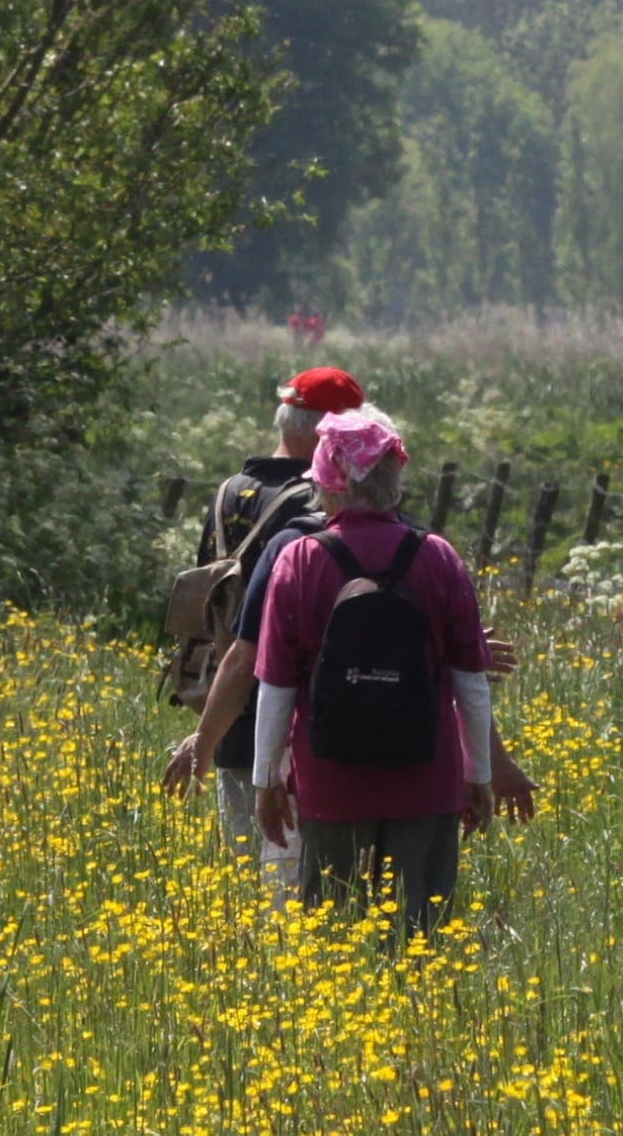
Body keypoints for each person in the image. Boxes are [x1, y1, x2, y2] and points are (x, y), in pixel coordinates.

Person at [251, 408, 497, 933]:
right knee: (417, 941)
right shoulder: (439, 557)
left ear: (331, 485)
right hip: (426, 779)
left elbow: (276, 686)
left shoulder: (299, 560)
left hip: (329, 780)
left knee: (333, 939)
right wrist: (477, 774)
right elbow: (471, 682)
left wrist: (267, 780)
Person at [189, 365, 365, 870]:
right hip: (289, 719)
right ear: (329, 430)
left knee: (245, 876)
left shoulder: (229, 491)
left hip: (228, 712)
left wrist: (205, 729)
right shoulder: (316, 503)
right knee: (296, 878)